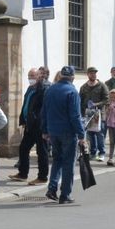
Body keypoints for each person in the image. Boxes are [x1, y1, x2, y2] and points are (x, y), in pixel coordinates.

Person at [42, 66, 87, 204]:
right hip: (68, 132)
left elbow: (44, 112)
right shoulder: (72, 91)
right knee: (68, 163)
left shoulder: (51, 89)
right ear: (73, 77)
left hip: (53, 131)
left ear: (61, 75)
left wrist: (44, 130)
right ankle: (65, 194)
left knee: (57, 160)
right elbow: (75, 116)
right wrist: (81, 134)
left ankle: (52, 188)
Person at [10, 67, 50, 185]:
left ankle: (42, 177)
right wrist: (23, 119)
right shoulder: (30, 88)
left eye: (32, 76)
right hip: (29, 124)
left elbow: (43, 108)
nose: (30, 79)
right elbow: (26, 105)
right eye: (29, 77)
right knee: (23, 148)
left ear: (39, 76)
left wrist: (38, 120)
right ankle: (22, 173)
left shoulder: (43, 88)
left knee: (41, 151)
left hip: (39, 125)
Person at [79, 67, 108, 160]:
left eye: (94, 73)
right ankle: (93, 152)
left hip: (99, 113)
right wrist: (81, 113)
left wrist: (96, 104)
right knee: (90, 134)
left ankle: (102, 153)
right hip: (87, 113)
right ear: (88, 74)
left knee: (99, 133)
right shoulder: (84, 87)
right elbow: (80, 101)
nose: (93, 75)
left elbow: (107, 99)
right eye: (91, 73)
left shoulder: (102, 85)